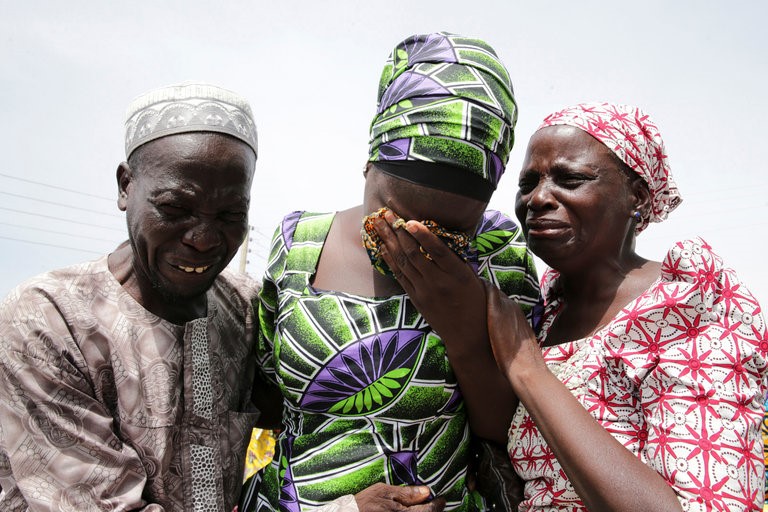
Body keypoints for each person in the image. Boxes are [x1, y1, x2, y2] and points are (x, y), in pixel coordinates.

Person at [372, 101, 768, 510]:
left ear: (638, 197)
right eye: (527, 183)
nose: (538, 198)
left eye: (571, 179)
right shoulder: (543, 312)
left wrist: (527, 368)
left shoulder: (686, 305)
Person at [239, 32, 540, 511]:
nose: (412, 241)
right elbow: (267, 401)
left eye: (449, 232)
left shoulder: (498, 252)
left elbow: (514, 429)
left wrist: (461, 329)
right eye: (391, 220)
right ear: (368, 164)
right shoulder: (299, 243)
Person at [0, 81, 279, 511]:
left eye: (228, 214)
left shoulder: (244, 311)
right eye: (174, 208)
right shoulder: (48, 319)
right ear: (126, 186)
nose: (203, 239)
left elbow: (322, 409)